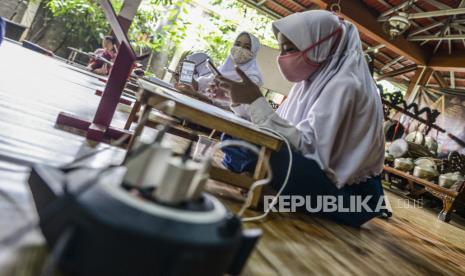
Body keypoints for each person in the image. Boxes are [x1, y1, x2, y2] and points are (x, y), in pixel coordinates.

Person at [215, 10, 387, 227]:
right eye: (281, 49)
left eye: (289, 49)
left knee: (247, 146)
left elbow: (306, 147)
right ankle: (268, 184)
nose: (282, 57)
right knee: (234, 136)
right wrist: (244, 101)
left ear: (321, 45)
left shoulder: (346, 85)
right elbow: (282, 129)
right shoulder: (311, 81)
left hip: (353, 199)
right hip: (316, 173)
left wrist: (257, 101)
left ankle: (267, 184)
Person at [177, 31, 264, 112]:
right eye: (237, 44)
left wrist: (200, 96)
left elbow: (240, 108)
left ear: (254, 52)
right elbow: (204, 84)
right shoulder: (225, 67)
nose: (240, 49)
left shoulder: (252, 78)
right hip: (204, 109)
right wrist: (191, 81)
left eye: (247, 47)